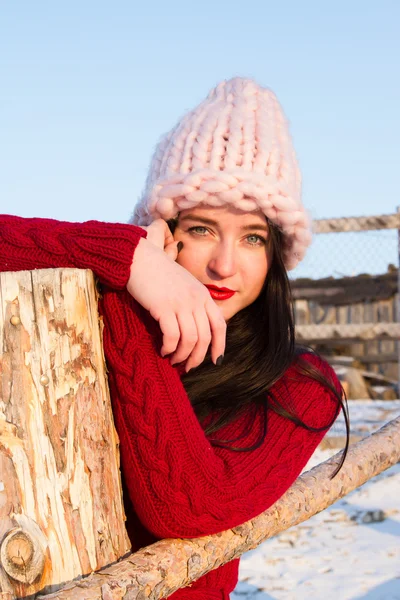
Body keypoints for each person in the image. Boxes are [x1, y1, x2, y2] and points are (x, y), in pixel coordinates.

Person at [0, 77, 348, 600]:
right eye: (202, 229)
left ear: (277, 255)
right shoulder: (81, 311)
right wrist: (124, 256)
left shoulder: (301, 383)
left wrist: (121, 303)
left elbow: (187, 505)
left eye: (252, 237)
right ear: (165, 233)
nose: (224, 264)